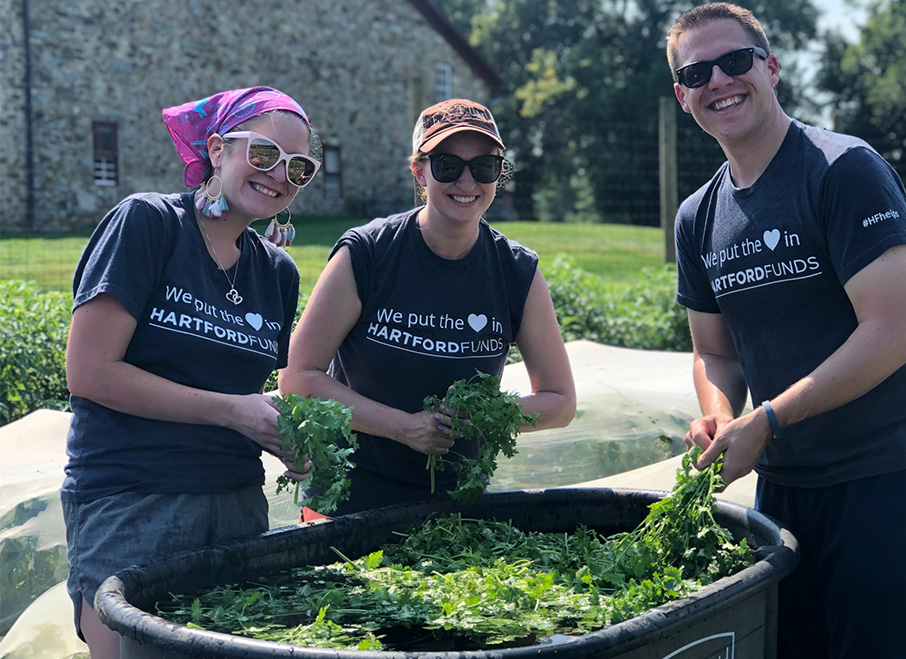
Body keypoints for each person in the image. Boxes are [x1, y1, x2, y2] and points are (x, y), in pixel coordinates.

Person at [667, 3, 906, 658]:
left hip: (890, 469)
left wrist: (768, 419)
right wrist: (721, 418)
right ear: (681, 94)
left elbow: (894, 332)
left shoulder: (840, 170)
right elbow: (713, 352)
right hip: (787, 486)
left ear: (771, 68)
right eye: (697, 72)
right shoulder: (697, 216)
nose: (717, 79)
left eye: (735, 61)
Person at [62, 86, 319, 659]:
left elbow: (247, 396)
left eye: (298, 167)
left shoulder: (276, 272)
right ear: (218, 149)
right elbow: (90, 371)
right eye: (262, 154)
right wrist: (233, 410)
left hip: (235, 507)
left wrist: (284, 437)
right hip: (131, 500)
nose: (279, 174)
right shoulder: (148, 225)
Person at [279, 98, 576, 518]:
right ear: (419, 170)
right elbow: (297, 377)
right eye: (448, 166)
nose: (467, 181)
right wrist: (405, 427)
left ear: (500, 174)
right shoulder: (368, 253)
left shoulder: (516, 270)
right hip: (346, 504)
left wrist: (482, 417)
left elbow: (560, 402)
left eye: (484, 167)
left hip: (457, 514)